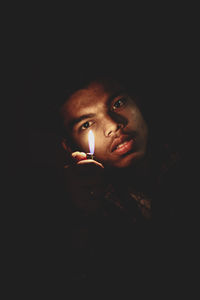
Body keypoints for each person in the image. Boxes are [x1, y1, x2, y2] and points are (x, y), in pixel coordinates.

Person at [41, 66, 191, 286]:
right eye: (86, 124)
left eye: (118, 103)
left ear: (138, 101)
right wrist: (82, 218)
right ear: (71, 147)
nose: (113, 125)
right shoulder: (82, 212)